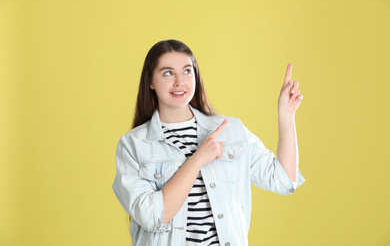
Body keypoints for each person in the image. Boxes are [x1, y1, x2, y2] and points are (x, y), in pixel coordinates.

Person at [112, 39, 305, 246]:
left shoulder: (229, 130)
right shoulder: (133, 145)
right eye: (168, 73)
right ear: (150, 81)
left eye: (187, 71)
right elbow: (153, 216)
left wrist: (286, 115)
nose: (180, 81)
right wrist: (197, 160)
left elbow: (284, 180)